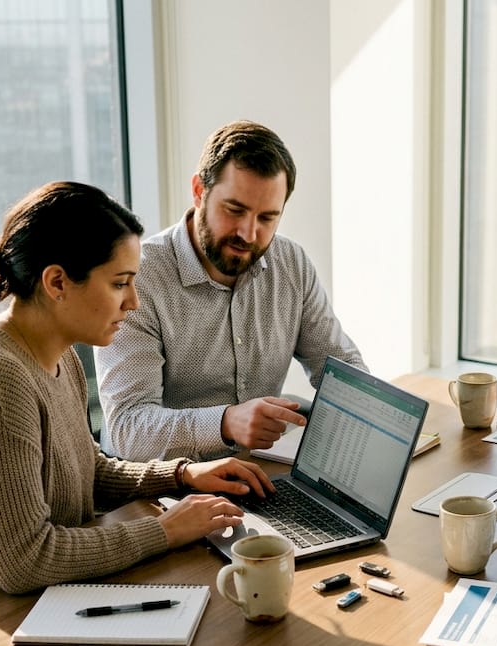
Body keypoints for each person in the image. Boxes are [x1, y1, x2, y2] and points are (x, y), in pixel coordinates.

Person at [0, 181, 274, 614]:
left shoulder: (56, 352)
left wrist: (182, 476)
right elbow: (25, 561)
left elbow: (85, 468)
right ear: (57, 282)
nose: (133, 302)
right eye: (120, 283)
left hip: (9, 602)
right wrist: (165, 530)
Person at [96, 120, 364, 462]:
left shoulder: (291, 263)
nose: (248, 234)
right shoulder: (140, 278)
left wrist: (372, 422)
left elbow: (342, 367)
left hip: (257, 473)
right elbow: (127, 430)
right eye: (234, 210)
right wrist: (224, 423)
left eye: (267, 218)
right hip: (166, 491)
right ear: (198, 191)